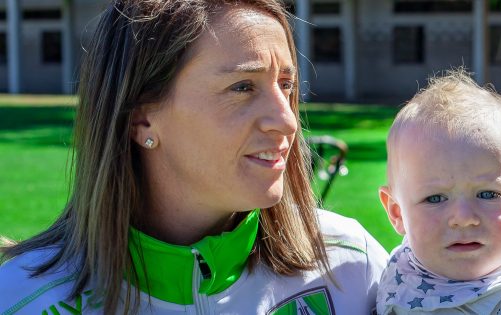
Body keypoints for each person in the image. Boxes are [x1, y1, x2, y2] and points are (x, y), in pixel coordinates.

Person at [0, 1, 388, 314]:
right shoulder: (25, 300)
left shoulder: (351, 262)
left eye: (286, 85)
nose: (287, 120)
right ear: (142, 117)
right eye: (242, 87)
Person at [376, 70, 501, 314]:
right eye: (435, 198)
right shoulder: (399, 272)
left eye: (488, 194)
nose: (463, 218)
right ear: (397, 212)